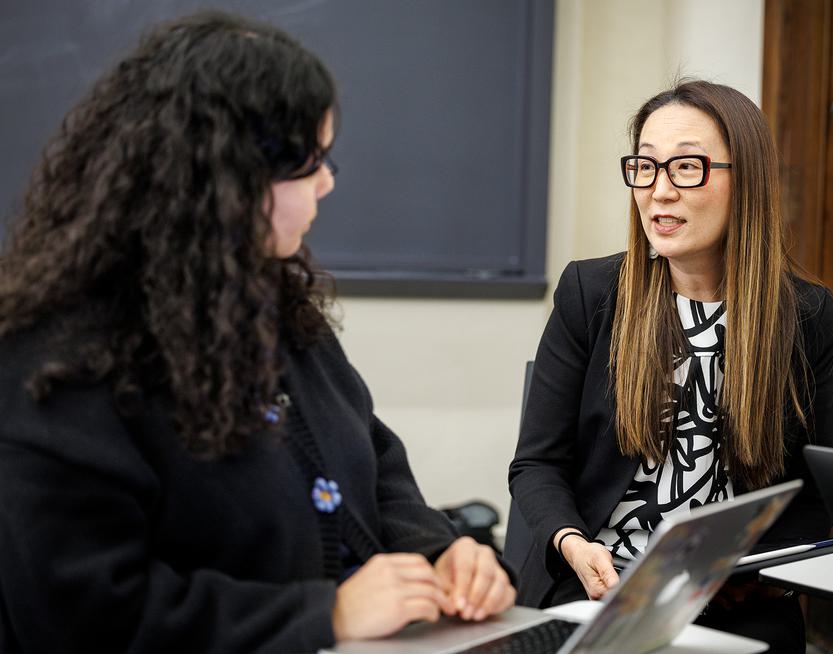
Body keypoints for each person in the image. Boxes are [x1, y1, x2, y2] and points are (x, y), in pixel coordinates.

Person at [0, 11, 515, 654]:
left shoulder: (270, 303)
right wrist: (322, 615)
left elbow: (372, 463)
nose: (328, 182)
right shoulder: (59, 360)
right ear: (227, 179)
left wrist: (441, 553)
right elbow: (84, 617)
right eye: (309, 164)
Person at [508, 80, 833, 653]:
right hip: (599, 586)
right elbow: (537, 465)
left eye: (688, 168)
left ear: (748, 181)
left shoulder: (806, 316)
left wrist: (744, 572)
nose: (659, 192)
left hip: (736, 597)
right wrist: (570, 543)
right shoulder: (591, 293)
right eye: (645, 167)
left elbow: (810, 498)